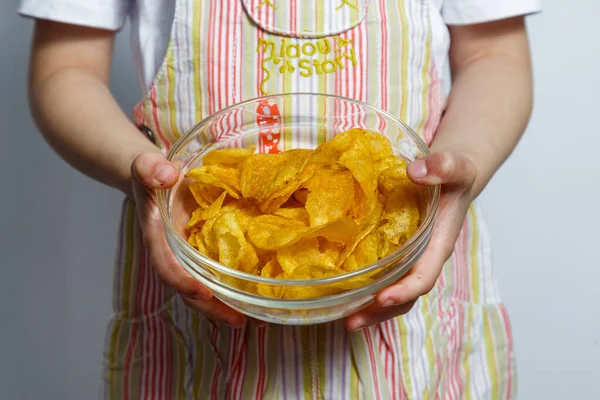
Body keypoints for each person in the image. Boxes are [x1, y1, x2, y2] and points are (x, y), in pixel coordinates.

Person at [19, 0, 541, 398]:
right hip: (197, 279)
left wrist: (460, 163)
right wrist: (146, 174)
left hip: (410, 275)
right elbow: (65, 69)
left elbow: (494, 55)